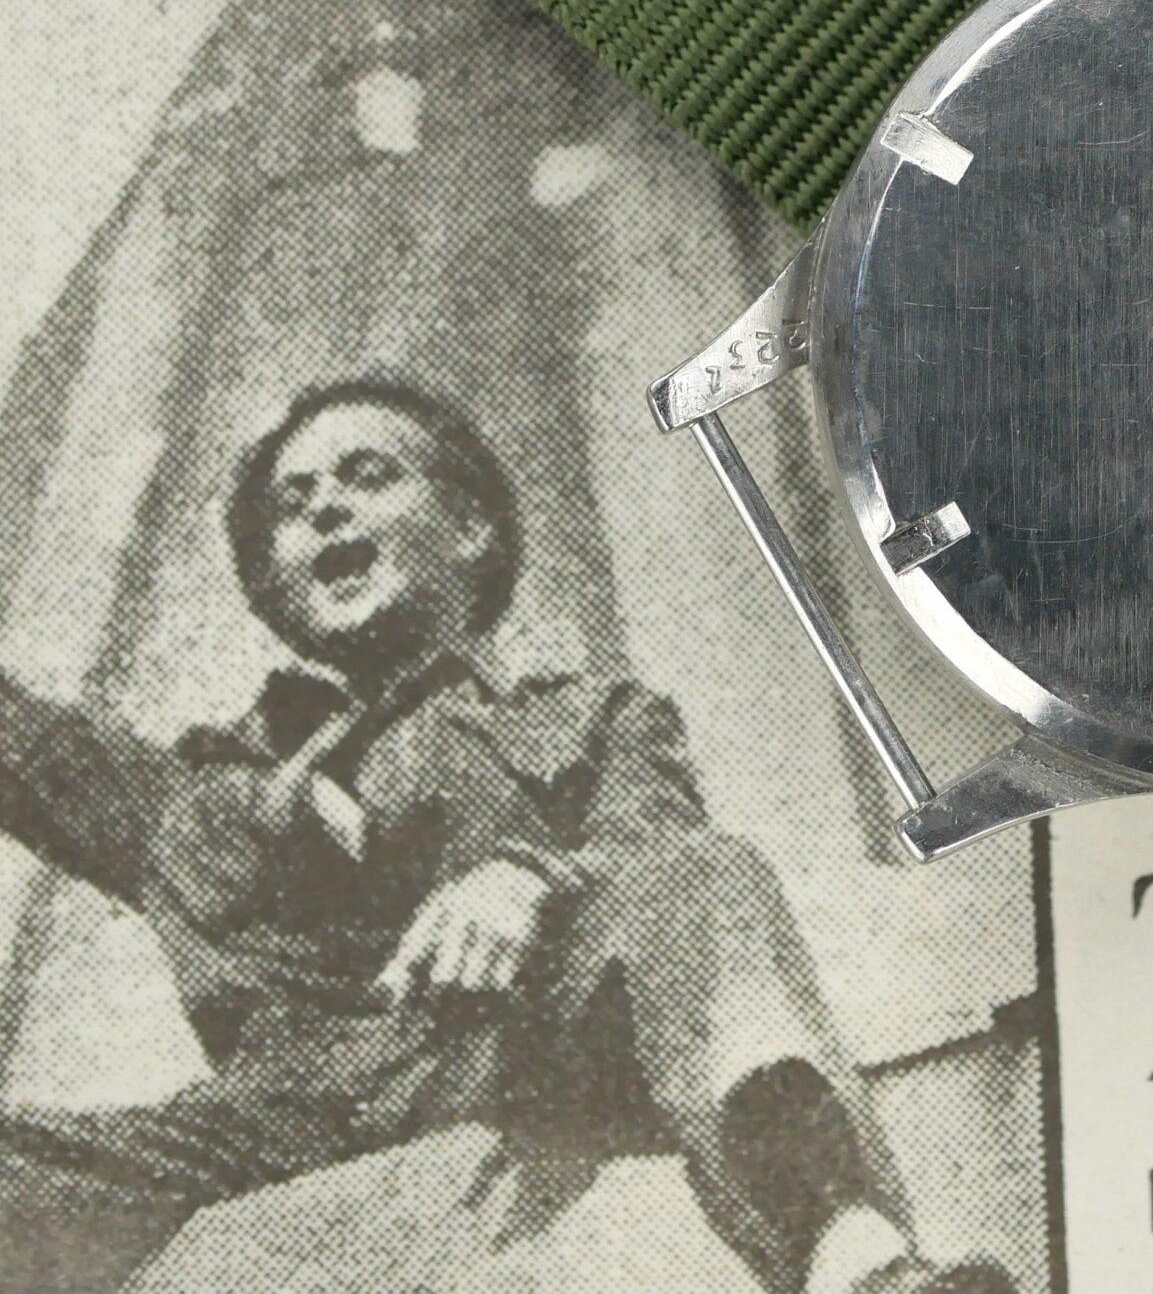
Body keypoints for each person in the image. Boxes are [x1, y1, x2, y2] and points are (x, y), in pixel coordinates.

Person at [0, 378, 1008, 1294]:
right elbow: (25, 746)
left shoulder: (591, 715)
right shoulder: (201, 791)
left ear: (470, 525)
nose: (324, 509)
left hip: (510, 1048)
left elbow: (661, 855)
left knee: (703, 873)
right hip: (271, 1116)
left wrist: (527, 877)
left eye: (367, 475)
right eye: (292, 504)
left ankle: (851, 1252)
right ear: (272, 578)